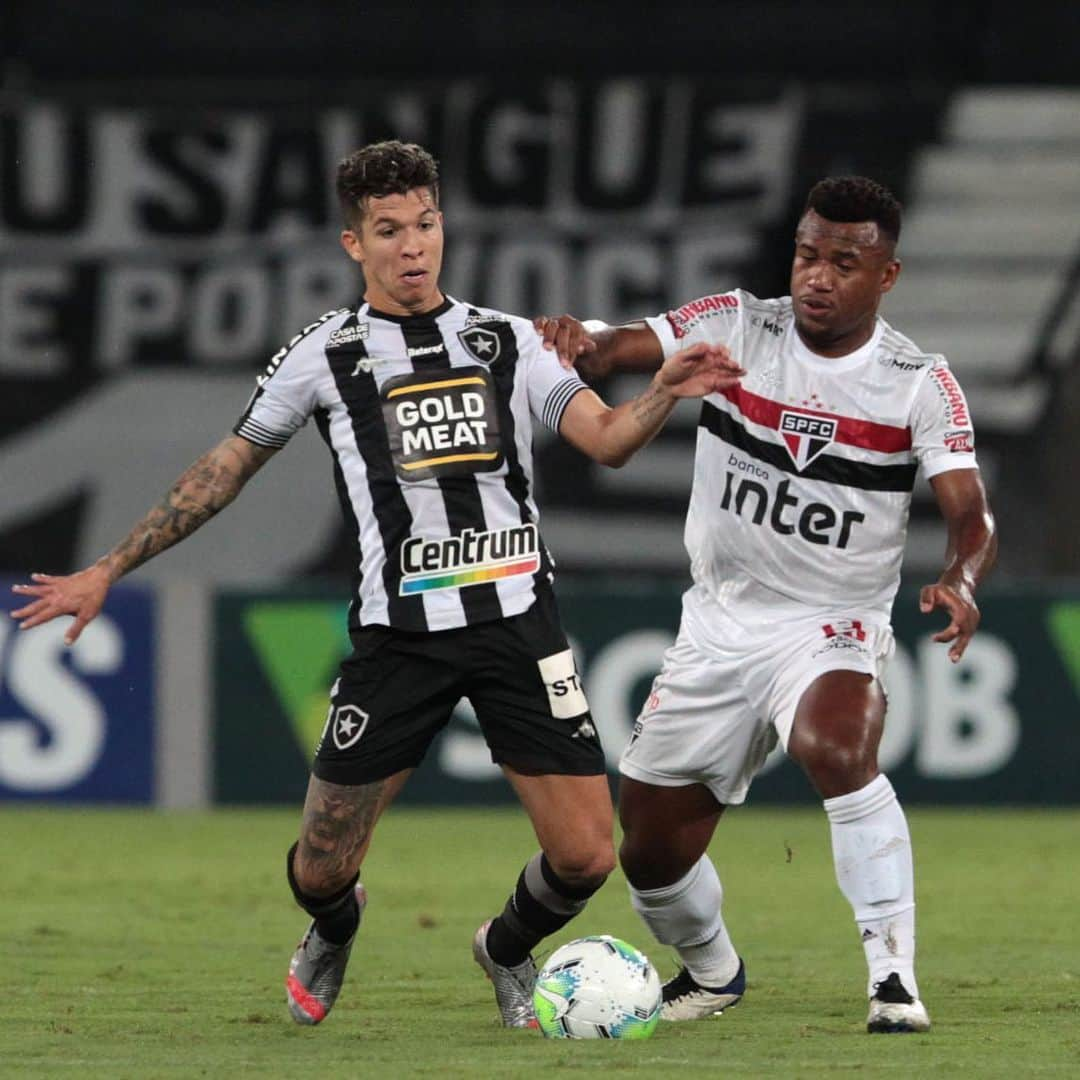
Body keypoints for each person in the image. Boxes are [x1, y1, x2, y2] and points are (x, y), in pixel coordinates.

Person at [8, 140, 743, 1031]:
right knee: (320, 863)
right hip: (398, 638)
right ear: (354, 243)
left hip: (518, 626)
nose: (413, 246)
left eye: (426, 225)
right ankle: (335, 923)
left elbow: (609, 439)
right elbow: (223, 471)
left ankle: (506, 947)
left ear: (443, 227)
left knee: (589, 857)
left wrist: (663, 390)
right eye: (388, 230)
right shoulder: (325, 354)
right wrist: (108, 568)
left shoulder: (509, 342)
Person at [535, 176, 997, 1033]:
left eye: (844, 263)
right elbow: (624, 342)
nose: (817, 276)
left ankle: (892, 979)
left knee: (835, 745)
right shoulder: (740, 324)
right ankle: (712, 973)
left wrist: (961, 579)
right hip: (718, 622)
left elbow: (971, 512)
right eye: (806, 254)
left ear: (886, 276)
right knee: (649, 845)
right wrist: (580, 338)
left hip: (832, 622)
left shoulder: (917, 382)